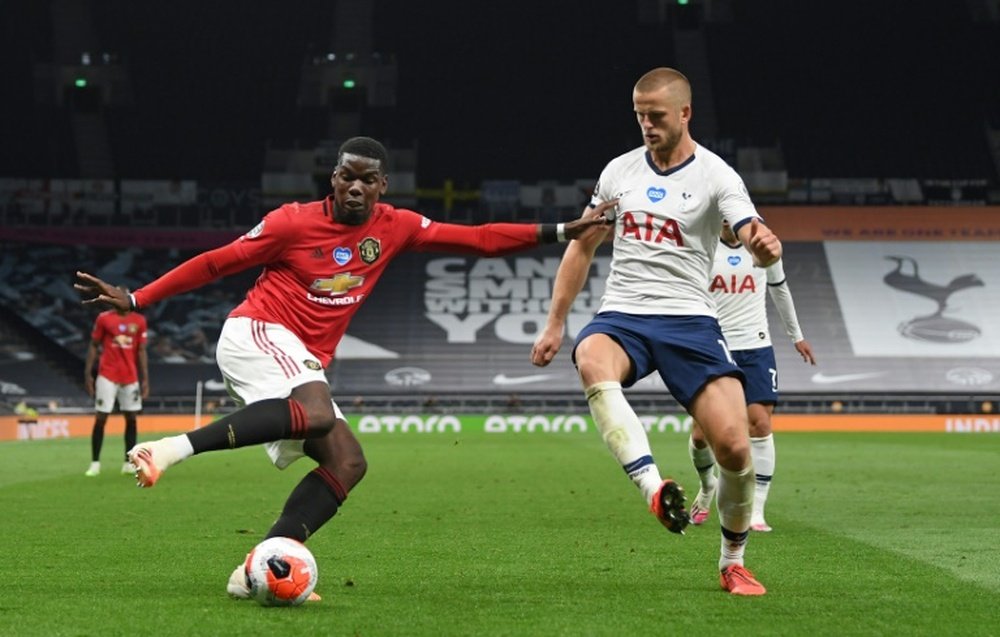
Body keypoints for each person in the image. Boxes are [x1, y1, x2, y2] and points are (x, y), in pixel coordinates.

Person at [75, 136, 613, 601]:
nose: (356, 188)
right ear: (333, 179)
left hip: (298, 359)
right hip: (256, 333)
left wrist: (565, 229)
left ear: (383, 186)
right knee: (315, 413)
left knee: (348, 462)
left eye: (368, 180)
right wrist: (138, 297)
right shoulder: (290, 222)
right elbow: (218, 261)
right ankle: (166, 449)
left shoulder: (396, 227)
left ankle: (257, 567)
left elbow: (477, 238)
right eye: (347, 177)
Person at [530, 68, 781, 596]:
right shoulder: (618, 173)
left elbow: (746, 228)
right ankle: (651, 486)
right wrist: (556, 323)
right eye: (639, 115)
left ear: (685, 113)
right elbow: (582, 246)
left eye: (657, 116)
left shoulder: (717, 175)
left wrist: (760, 244)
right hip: (624, 313)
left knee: (735, 448)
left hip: (691, 320)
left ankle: (732, 561)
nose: (646, 124)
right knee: (592, 357)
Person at [687, 220, 816, 532]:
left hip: (755, 346)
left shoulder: (762, 243)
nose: (729, 222)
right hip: (713, 345)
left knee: (759, 423)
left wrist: (795, 335)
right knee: (702, 434)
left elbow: (779, 288)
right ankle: (707, 486)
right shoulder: (701, 245)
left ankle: (756, 510)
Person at [83, 292, 149, 476]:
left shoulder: (139, 321)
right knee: (101, 417)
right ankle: (95, 463)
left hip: (130, 377)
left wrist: (145, 379)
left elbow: (142, 351)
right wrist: (88, 373)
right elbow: (94, 345)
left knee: (131, 418)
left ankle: (128, 462)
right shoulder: (104, 319)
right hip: (107, 375)